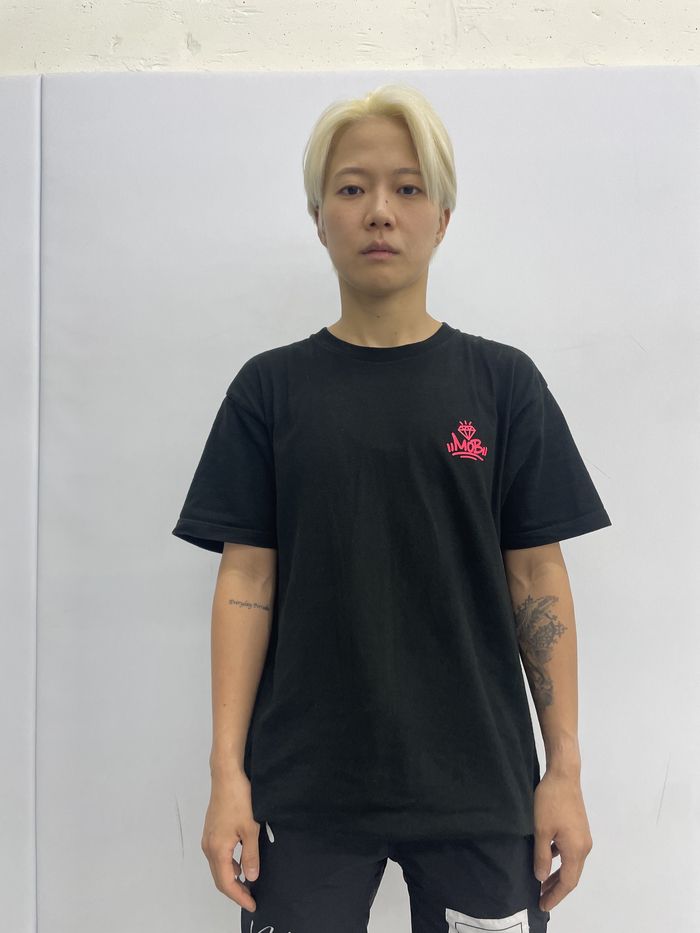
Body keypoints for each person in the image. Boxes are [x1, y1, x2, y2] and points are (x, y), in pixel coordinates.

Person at [172, 83, 612, 933]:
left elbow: (537, 577)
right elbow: (245, 583)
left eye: (408, 188)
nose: (380, 211)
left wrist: (564, 769)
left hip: (480, 786)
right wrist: (228, 773)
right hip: (305, 790)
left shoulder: (503, 385)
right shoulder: (269, 392)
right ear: (319, 217)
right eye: (352, 187)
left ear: (442, 217)